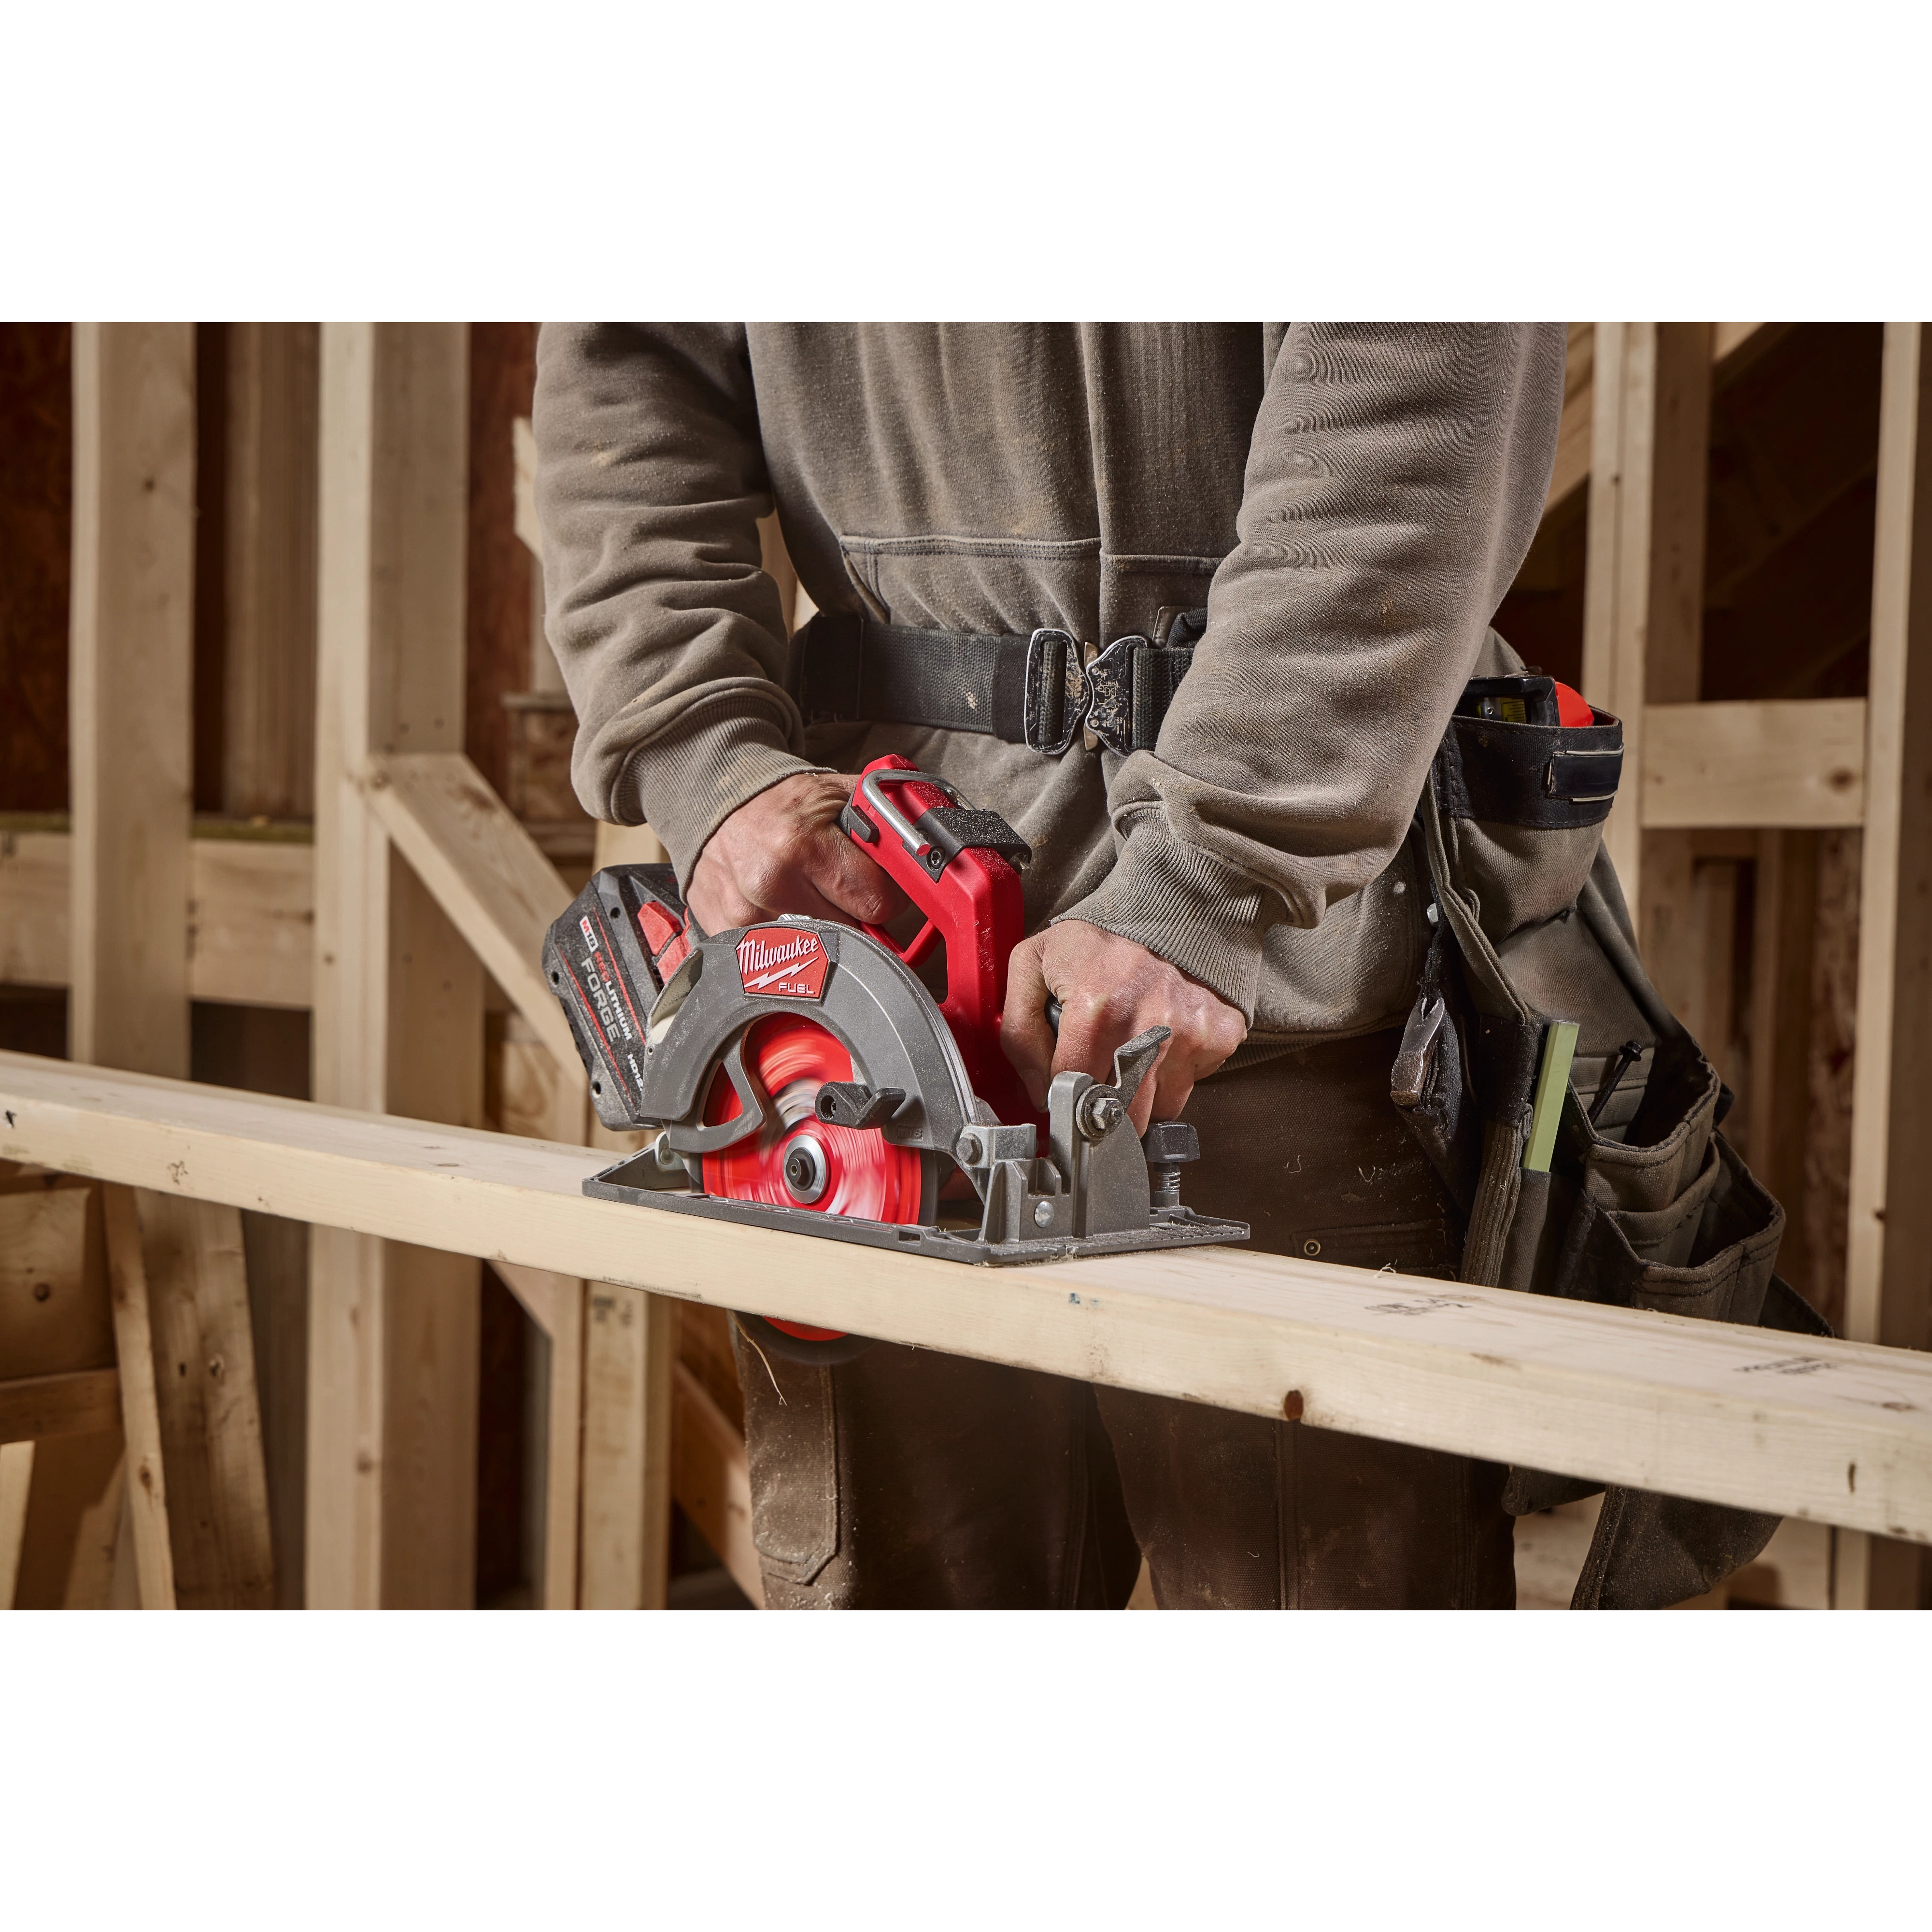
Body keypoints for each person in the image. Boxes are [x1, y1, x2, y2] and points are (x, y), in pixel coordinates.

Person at [535, 322, 1566, 1609]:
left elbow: (1410, 412)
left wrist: (1208, 875)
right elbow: (627, 377)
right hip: (878, 1002)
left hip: (1279, 991)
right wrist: (705, 764)